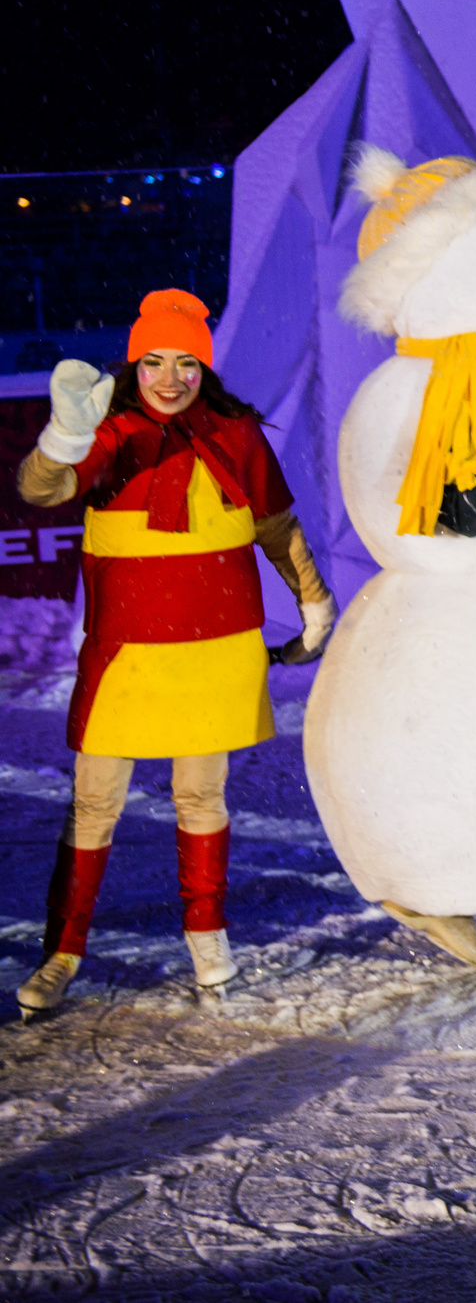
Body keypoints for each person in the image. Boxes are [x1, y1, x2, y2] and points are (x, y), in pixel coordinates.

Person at [12, 290, 334, 1014]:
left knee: (200, 796)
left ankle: (207, 935)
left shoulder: (235, 433)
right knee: (94, 803)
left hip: (216, 646)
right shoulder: (112, 431)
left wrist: (313, 602)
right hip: (126, 653)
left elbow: (275, 525)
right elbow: (41, 490)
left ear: (204, 368)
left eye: (186, 362)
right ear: (134, 364)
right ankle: (63, 951)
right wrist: (63, 438)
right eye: (154, 361)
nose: (169, 378)